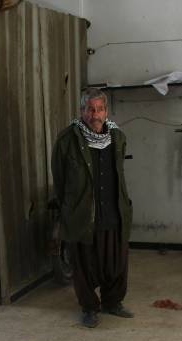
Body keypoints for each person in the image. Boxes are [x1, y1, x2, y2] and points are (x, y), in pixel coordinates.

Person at [52, 88, 134, 328]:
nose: (94, 114)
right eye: (90, 109)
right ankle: (89, 307)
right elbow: (60, 180)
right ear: (82, 111)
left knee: (116, 262)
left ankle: (112, 302)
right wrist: (70, 208)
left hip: (113, 211)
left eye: (99, 109)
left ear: (106, 111)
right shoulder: (67, 139)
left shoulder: (118, 138)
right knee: (85, 265)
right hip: (83, 214)